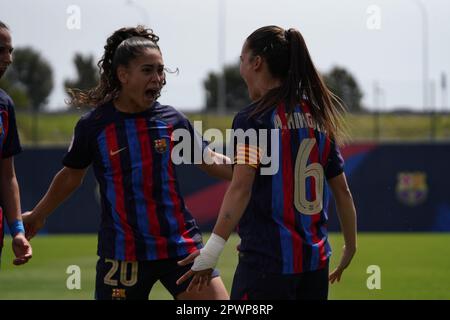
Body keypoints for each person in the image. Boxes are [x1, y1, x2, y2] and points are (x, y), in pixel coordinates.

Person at [22, 25, 229, 300]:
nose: (157, 78)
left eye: (160, 70)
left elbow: (210, 160)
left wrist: (253, 167)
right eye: (147, 70)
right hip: (122, 255)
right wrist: (38, 214)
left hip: (180, 246)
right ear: (123, 75)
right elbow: (71, 176)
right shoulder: (94, 126)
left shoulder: (172, 120)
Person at [177, 25, 357, 300]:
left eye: (242, 60)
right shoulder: (318, 117)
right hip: (315, 265)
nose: (241, 70)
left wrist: (210, 251)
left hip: (267, 265)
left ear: (256, 62)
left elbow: (241, 188)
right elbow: (342, 191)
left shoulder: (254, 118)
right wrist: (350, 246)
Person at [0, 21, 32, 267]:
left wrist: (18, 230)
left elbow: (7, 175)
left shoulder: (5, 106)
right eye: (1, 50)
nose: (8, 59)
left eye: (10, 50)